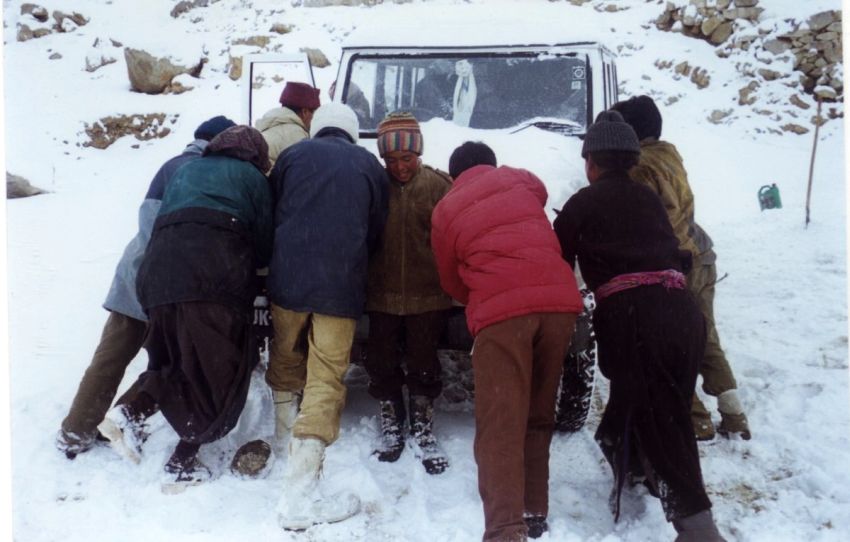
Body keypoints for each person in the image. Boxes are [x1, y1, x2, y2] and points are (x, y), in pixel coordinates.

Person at [553, 111, 725, 541]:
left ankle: (698, 528)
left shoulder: (583, 203)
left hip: (637, 320)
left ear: (591, 161)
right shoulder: (647, 198)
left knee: (663, 421)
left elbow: (554, 261)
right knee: (656, 406)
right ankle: (627, 461)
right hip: (683, 313)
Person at [97, 125, 273, 493]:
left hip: (156, 278)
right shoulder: (252, 177)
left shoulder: (186, 170)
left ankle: (129, 413)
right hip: (211, 282)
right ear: (255, 155)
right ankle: (180, 462)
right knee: (221, 372)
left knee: (173, 361)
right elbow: (263, 241)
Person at [55, 115, 236, 459]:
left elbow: (148, 223)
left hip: (132, 273)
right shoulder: (198, 174)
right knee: (171, 363)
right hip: (161, 283)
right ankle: (119, 419)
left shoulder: (171, 166)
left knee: (110, 358)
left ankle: (76, 431)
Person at [431, 141, 583, 542]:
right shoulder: (520, 181)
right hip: (560, 306)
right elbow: (540, 194)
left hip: (504, 316)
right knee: (538, 411)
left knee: (501, 421)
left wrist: (483, 297)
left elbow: (449, 278)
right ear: (491, 164)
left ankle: (504, 528)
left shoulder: (447, 207)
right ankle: (534, 509)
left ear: (452, 176)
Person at [265, 103, 389, 529]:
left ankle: (285, 441)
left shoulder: (292, 157)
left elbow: (272, 210)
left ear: (316, 129)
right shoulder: (369, 165)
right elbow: (377, 230)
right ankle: (299, 493)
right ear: (352, 132)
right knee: (326, 377)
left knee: (284, 356)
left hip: (287, 282)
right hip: (341, 286)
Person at [611, 95, 751, 441]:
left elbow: (655, 222)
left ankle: (695, 419)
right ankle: (733, 411)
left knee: (669, 343)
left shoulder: (639, 167)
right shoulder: (669, 154)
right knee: (704, 335)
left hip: (677, 264)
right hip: (702, 253)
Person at [365, 112, 453, 474]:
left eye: (407, 158)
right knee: (381, 360)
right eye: (391, 160)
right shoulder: (373, 185)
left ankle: (422, 421)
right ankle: (391, 419)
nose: (400, 167)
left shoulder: (438, 186)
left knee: (423, 361)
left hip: (427, 294)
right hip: (381, 293)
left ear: (419, 154)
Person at [255, 80, 320, 169]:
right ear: (305, 112)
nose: (315, 118)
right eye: (314, 113)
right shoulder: (295, 134)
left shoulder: (270, 122)